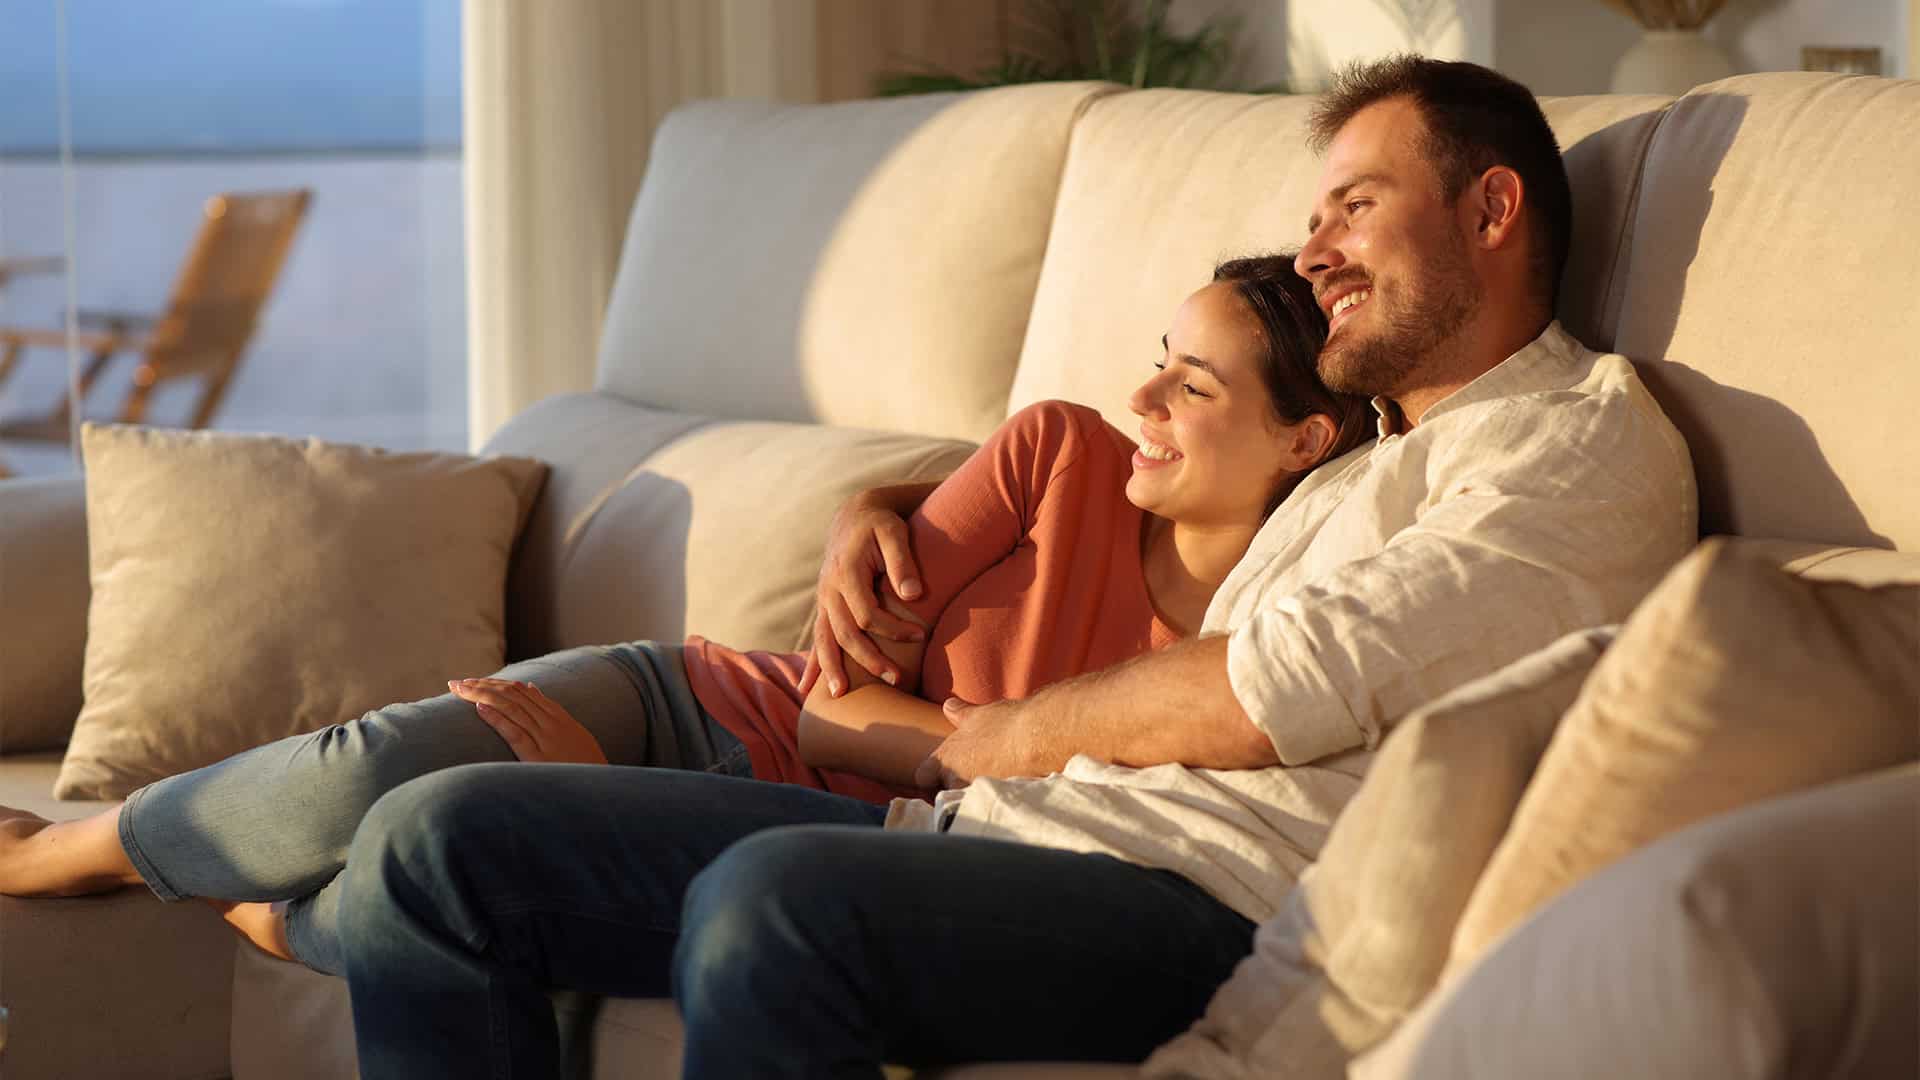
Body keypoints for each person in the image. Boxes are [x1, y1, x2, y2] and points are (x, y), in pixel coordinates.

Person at [313, 57, 1698, 1078]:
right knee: (436, 845)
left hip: (1195, 903)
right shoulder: (1367, 451)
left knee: (771, 905)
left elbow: (1282, 682)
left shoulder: (1573, 448)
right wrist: (879, 495)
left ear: (1493, 210)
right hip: (996, 844)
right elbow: (1124, 473)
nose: (1312, 249)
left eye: (1352, 207)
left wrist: (992, 738)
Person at [0, 256, 1370, 970]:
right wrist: (979, 716)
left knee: (435, 878)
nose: (1145, 400)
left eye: (1194, 388)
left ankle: (285, 926)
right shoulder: (1059, 453)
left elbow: (949, 792)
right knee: (375, 766)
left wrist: (931, 735)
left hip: (817, 830)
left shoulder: (1256, 648)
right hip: (706, 702)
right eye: (1158, 362)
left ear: (1305, 443)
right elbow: (830, 696)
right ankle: (65, 856)